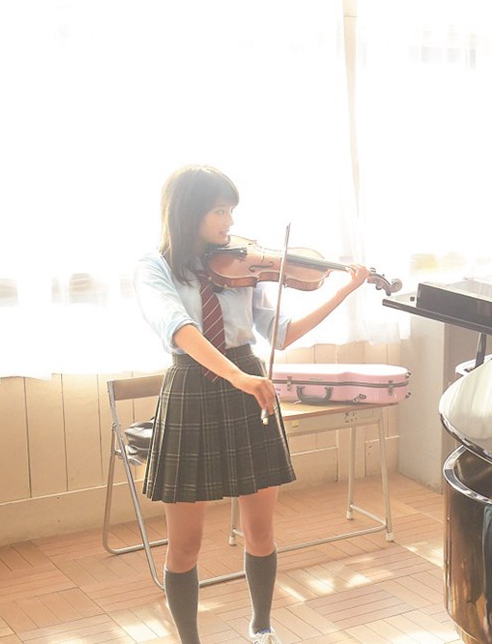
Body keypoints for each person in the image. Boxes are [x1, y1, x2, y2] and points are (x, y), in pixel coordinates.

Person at [133, 165, 370, 644]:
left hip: (247, 382)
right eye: (220, 211)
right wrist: (238, 376)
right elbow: (180, 329)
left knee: (260, 530)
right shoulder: (153, 268)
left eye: (231, 211)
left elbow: (282, 333)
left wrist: (343, 292)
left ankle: (262, 627)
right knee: (185, 544)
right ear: (189, 212)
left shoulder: (240, 267)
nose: (230, 221)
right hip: (193, 386)